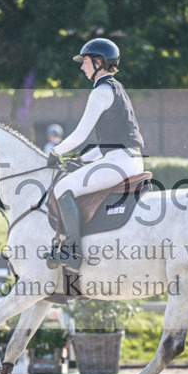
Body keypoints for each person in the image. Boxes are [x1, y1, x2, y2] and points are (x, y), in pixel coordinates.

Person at [45, 38, 145, 271]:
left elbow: (80, 134)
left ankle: (73, 252)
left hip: (120, 161)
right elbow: (109, 140)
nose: (82, 67)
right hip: (126, 159)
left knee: (62, 189)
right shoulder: (116, 88)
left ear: (99, 62)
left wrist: (55, 152)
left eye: (85, 61)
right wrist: (81, 160)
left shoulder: (101, 91)